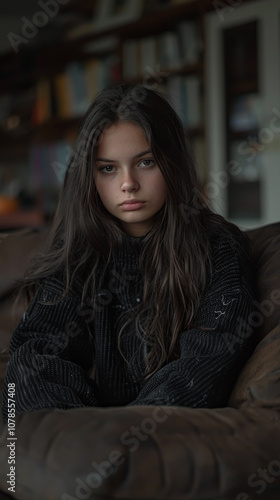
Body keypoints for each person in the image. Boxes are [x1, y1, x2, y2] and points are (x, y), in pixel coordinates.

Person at [2, 83, 255, 422]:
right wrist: (85, 436)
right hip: (86, 443)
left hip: (170, 441)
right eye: (108, 168)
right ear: (89, 176)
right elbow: (35, 355)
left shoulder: (219, 247)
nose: (128, 183)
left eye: (146, 162)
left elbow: (206, 363)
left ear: (172, 163)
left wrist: (126, 433)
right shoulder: (78, 253)